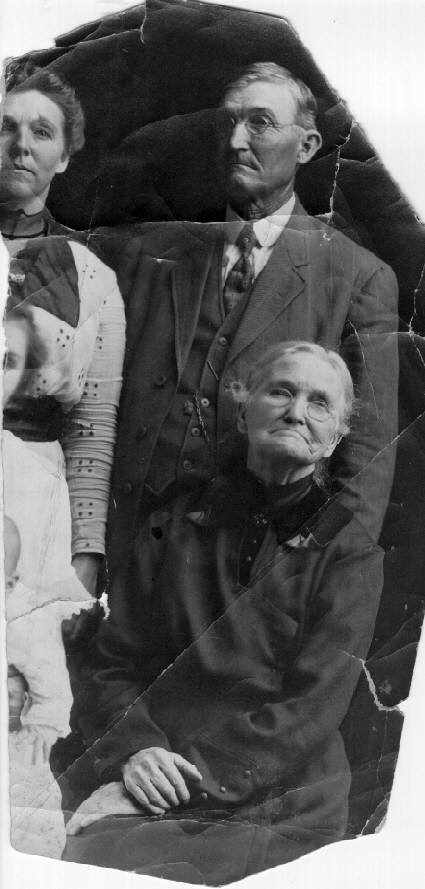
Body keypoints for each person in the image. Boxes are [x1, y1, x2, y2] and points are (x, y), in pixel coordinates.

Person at [63, 343, 384, 883]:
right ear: (242, 412)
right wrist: (134, 751)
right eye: (280, 391)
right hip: (153, 766)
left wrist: (189, 779)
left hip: (282, 798)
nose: (296, 412)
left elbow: (310, 709)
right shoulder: (171, 525)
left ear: (335, 439)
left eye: (318, 403)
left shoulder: (349, 553)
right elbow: (111, 665)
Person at [104, 61, 398, 592]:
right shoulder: (150, 256)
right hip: (122, 549)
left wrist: (317, 578)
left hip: (245, 570)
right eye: (227, 123)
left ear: (307, 146)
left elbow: (368, 458)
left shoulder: (358, 277)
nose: (236, 141)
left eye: (260, 123)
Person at [0, 65, 126, 598]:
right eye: (6, 127)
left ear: (65, 156)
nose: (21, 145)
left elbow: (90, 430)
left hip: (32, 510)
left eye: (42, 132)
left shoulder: (91, 277)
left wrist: (85, 556)